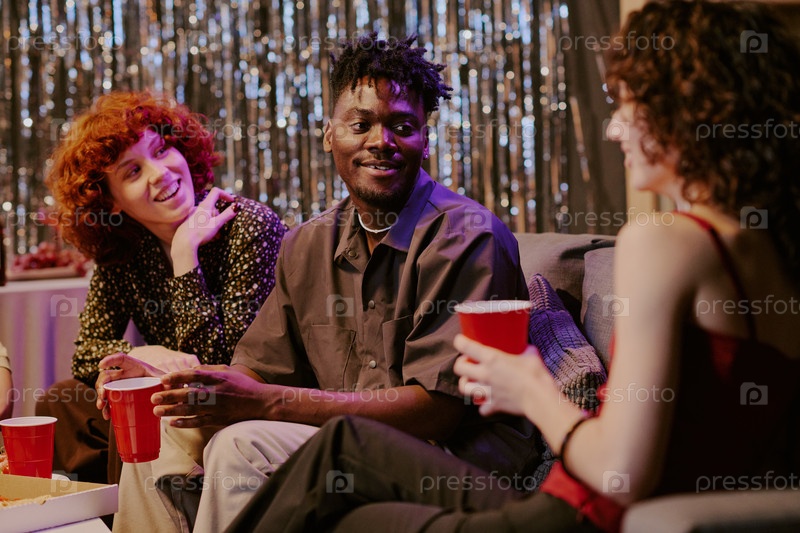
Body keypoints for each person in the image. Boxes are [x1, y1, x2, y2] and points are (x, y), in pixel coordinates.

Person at [226, 1, 800, 531]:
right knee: (349, 498)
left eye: (629, 106)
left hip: (575, 514)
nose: (614, 128)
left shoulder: (665, 242)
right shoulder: (773, 250)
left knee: (343, 462)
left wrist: (531, 388)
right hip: (587, 504)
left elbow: (621, 471)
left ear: (690, 112)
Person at [98, 34, 541, 533]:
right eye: (361, 124)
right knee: (164, 421)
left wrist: (269, 402)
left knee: (240, 445)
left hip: (451, 460)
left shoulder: (466, 237)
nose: (381, 141)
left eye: (403, 127)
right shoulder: (307, 245)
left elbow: (437, 412)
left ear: (425, 139)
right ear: (329, 135)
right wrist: (175, 383)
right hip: (348, 443)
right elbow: (259, 371)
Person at [35, 92, 285, 485]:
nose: (160, 173)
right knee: (62, 402)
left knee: (135, 406)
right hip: (173, 398)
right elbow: (86, 352)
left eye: (161, 150)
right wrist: (142, 353)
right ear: (110, 202)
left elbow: (227, 369)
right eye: (133, 172)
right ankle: (103, 512)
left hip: (246, 401)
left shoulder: (247, 224)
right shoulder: (124, 250)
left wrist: (186, 256)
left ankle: (133, 512)